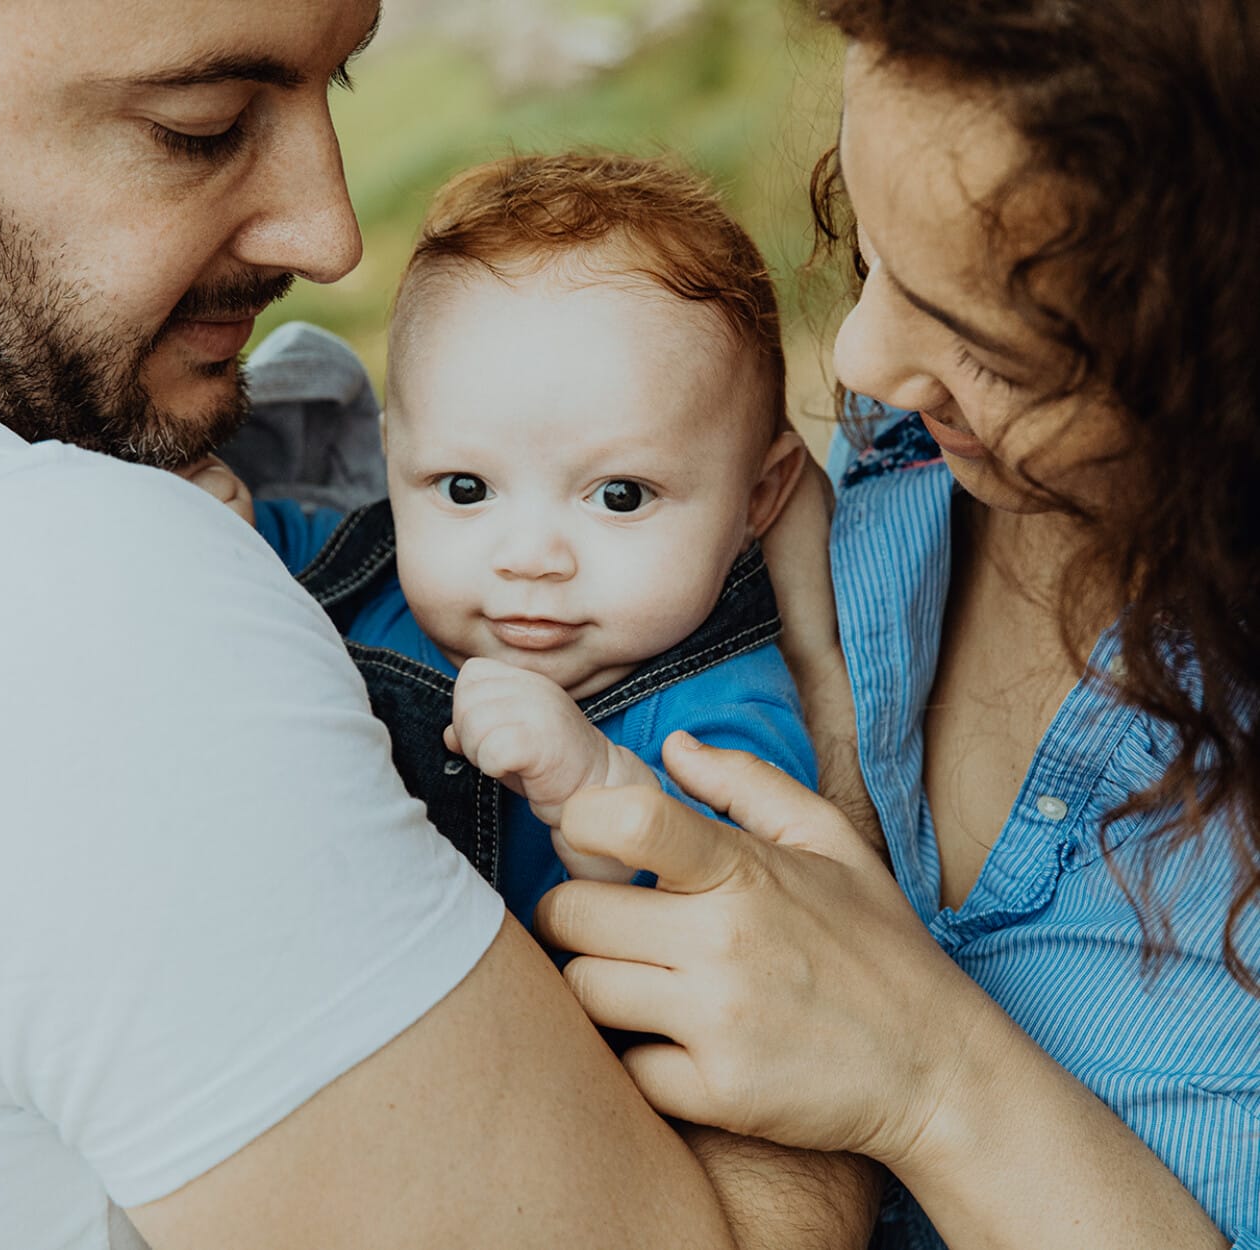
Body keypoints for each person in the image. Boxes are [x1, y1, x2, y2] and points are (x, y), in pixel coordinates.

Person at [0, 2, 880, 1247]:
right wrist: (865, 971)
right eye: (201, 125)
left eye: (337, 83)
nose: (333, 234)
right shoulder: (69, 592)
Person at [537, 3, 1260, 1248]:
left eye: (997, 350)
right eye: (872, 256)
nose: (862, 365)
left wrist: (929, 1076)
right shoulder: (913, 452)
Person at [208, 151, 816, 933]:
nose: (529, 559)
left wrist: (593, 785)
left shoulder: (720, 715)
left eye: (620, 496)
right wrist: (219, 523)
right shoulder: (365, 569)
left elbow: (743, 910)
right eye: (465, 489)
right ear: (393, 464)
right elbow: (250, 561)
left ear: (757, 499)